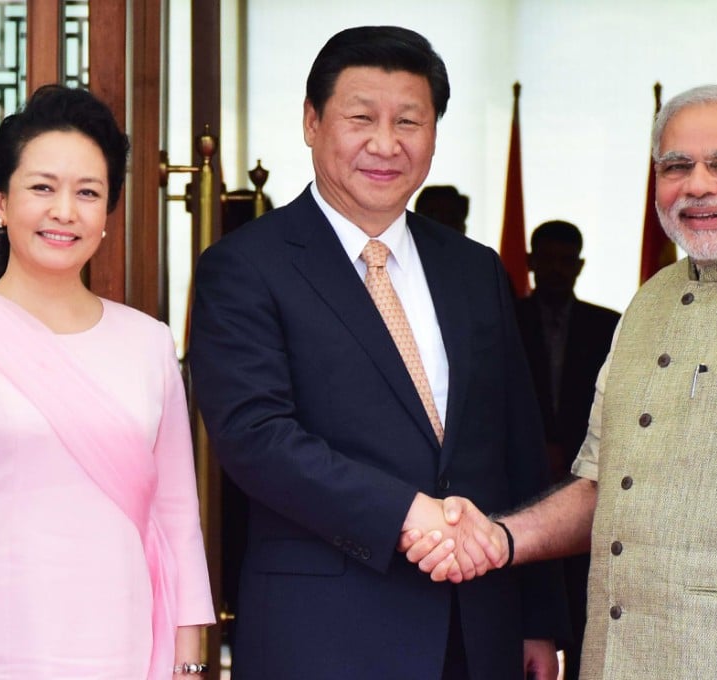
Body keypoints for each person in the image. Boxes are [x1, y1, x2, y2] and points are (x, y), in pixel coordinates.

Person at [406, 84, 717, 680]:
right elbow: (603, 487)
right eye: (676, 166)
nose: (697, 185)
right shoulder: (648, 304)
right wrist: (498, 538)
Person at [189, 25, 566, 680]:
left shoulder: (475, 270)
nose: (386, 144)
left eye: (410, 121)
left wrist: (539, 617)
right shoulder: (244, 266)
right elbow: (257, 438)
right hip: (326, 632)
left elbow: (517, 446)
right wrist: (406, 514)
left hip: (478, 629)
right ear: (311, 121)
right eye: (361, 118)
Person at [0, 85, 214, 679]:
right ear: (3, 202)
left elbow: (179, 525)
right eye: (43, 187)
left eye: (88, 193)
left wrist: (189, 669)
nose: (65, 211)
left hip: (125, 649)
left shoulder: (148, 343)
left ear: (109, 212)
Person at [514, 220, 619, 680]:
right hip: (518, 481)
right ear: (531, 262)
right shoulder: (504, 317)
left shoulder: (609, 325)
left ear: (578, 266)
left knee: (586, 601)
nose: (556, 269)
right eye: (547, 259)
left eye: (565, 260)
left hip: (589, 481)